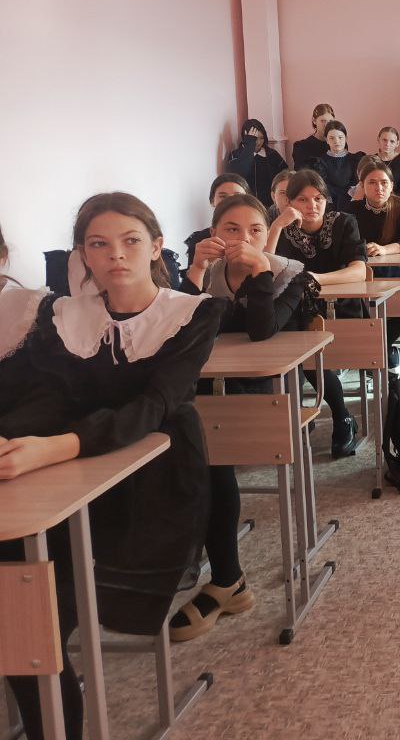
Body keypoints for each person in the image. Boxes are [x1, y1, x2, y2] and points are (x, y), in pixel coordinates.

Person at [1, 195, 225, 739]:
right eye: (98, 244)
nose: (115, 255)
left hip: (157, 473)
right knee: (24, 606)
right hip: (71, 469)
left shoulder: (192, 312)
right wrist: (12, 438)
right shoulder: (63, 315)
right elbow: (52, 396)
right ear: (82, 254)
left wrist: (56, 447)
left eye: (130, 241)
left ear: (156, 246)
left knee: (44, 605)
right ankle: (47, 705)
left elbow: (155, 406)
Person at [170, 193, 316, 643]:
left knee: (208, 453)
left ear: (267, 233)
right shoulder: (206, 272)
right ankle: (198, 561)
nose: (243, 239)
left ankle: (225, 578)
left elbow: (260, 331)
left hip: (262, 393)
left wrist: (260, 271)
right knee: (179, 442)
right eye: (231, 229)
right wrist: (195, 270)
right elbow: (177, 331)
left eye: (255, 230)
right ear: (214, 232)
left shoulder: (290, 274)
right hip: (201, 387)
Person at [273, 169, 367, 459]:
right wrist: (276, 226)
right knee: (293, 353)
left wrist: (314, 279)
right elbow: (266, 269)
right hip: (296, 311)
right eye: (302, 199)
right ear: (289, 202)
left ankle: (341, 417)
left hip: (341, 308)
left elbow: (359, 270)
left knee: (311, 356)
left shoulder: (343, 223)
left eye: (318, 198)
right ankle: (310, 416)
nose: (311, 205)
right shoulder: (283, 230)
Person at [350, 157, 400, 369]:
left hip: (399, 275)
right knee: (357, 315)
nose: (379, 188)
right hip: (364, 277)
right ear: (362, 185)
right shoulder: (352, 210)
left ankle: (382, 355)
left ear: (391, 185)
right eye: (372, 182)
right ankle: (388, 358)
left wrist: (385, 249)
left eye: (384, 182)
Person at [185, 173, 251, 266]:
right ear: (212, 201)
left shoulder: (257, 234)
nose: (230, 202)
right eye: (223, 196)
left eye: (237, 196)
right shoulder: (199, 240)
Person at [225, 117, 288, 204]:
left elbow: (285, 175)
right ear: (246, 136)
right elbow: (238, 175)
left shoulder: (272, 154)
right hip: (245, 204)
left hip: (271, 203)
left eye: (261, 138)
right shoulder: (235, 155)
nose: (258, 142)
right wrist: (249, 146)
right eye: (255, 138)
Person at [307, 120, 364, 213]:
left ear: (346, 138)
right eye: (332, 138)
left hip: (352, 203)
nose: (336, 141)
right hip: (329, 206)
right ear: (326, 140)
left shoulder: (355, 159)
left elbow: (357, 184)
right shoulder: (319, 162)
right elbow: (323, 186)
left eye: (340, 137)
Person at [375, 126, 400, 196]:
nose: (387, 144)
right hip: (375, 200)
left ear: (397, 143)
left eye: (392, 141)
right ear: (378, 140)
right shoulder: (370, 161)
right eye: (384, 140)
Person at [291, 103, 335, 168]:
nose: (326, 125)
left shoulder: (339, 144)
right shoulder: (302, 147)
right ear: (314, 121)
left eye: (330, 121)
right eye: (323, 121)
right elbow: (302, 172)